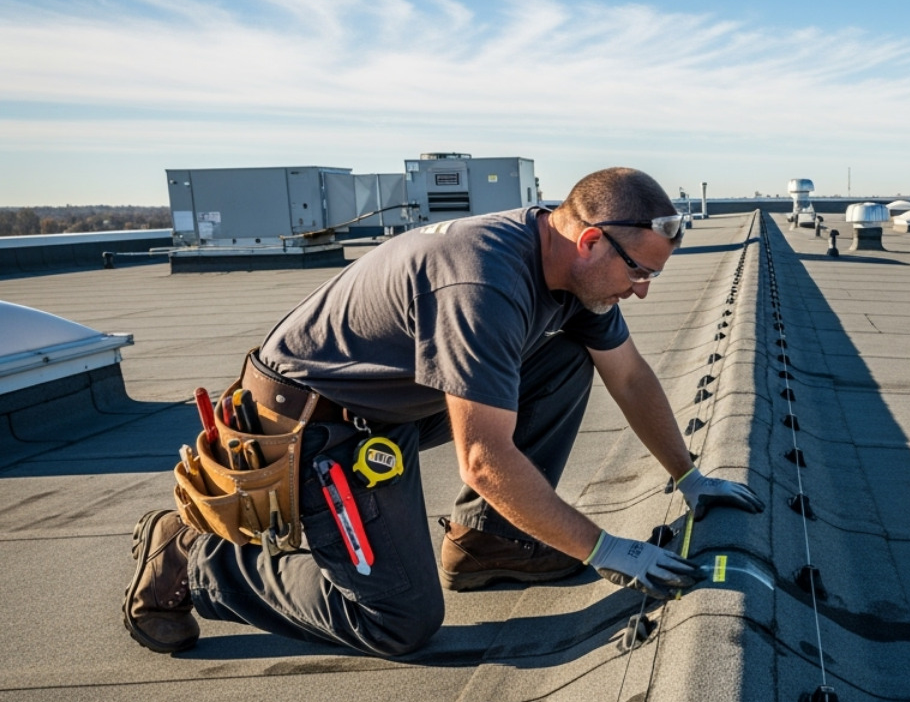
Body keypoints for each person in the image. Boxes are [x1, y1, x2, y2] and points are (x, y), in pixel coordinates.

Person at [123, 167, 763, 657]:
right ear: (591, 240)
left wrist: (690, 478)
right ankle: (192, 555)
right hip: (315, 428)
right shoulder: (484, 281)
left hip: (390, 405)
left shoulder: (575, 274)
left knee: (574, 355)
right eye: (639, 273)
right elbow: (484, 460)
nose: (642, 290)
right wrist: (606, 549)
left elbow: (629, 375)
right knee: (399, 620)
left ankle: (491, 540)